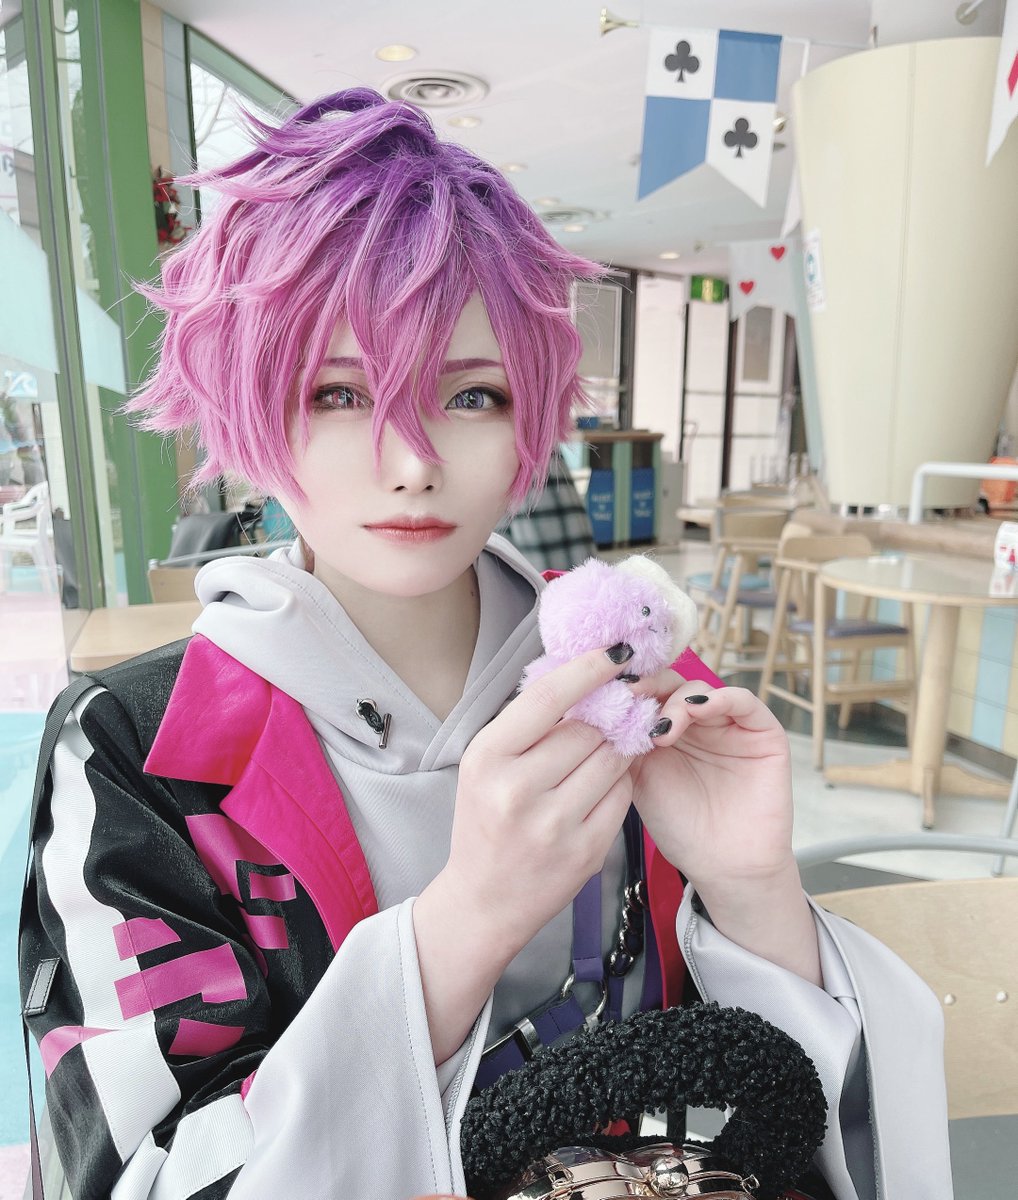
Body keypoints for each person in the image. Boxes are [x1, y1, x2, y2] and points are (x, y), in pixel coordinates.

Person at [19, 89, 951, 1200]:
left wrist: (752, 897)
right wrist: (465, 924)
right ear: (248, 406)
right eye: (337, 392)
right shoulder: (136, 748)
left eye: (470, 395)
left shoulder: (642, 687)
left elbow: (776, 1124)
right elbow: (136, 1171)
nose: (413, 460)